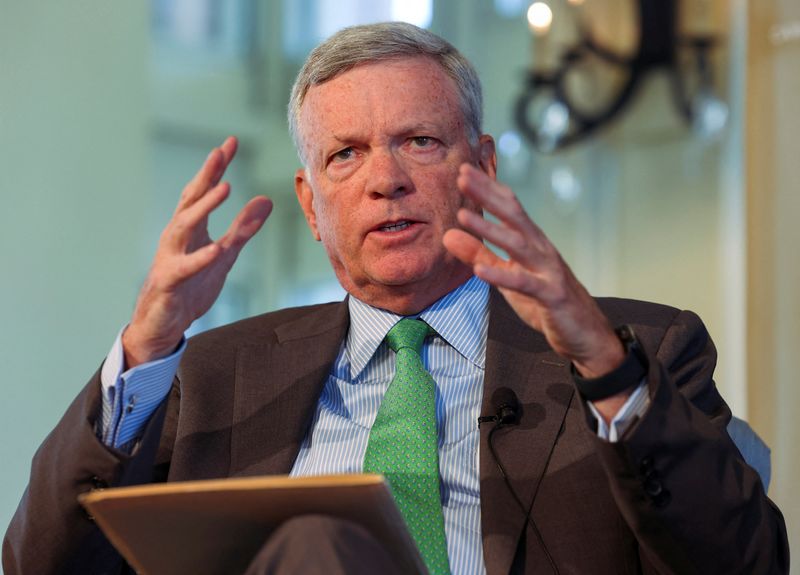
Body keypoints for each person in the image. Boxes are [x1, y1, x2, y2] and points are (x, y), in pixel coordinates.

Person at [3, 22, 788, 575]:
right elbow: (39, 565)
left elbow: (745, 561)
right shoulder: (208, 375)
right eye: (346, 154)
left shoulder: (633, 347)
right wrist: (145, 347)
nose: (386, 179)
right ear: (311, 207)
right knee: (316, 544)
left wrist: (605, 364)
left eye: (419, 141)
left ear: (480, 165)